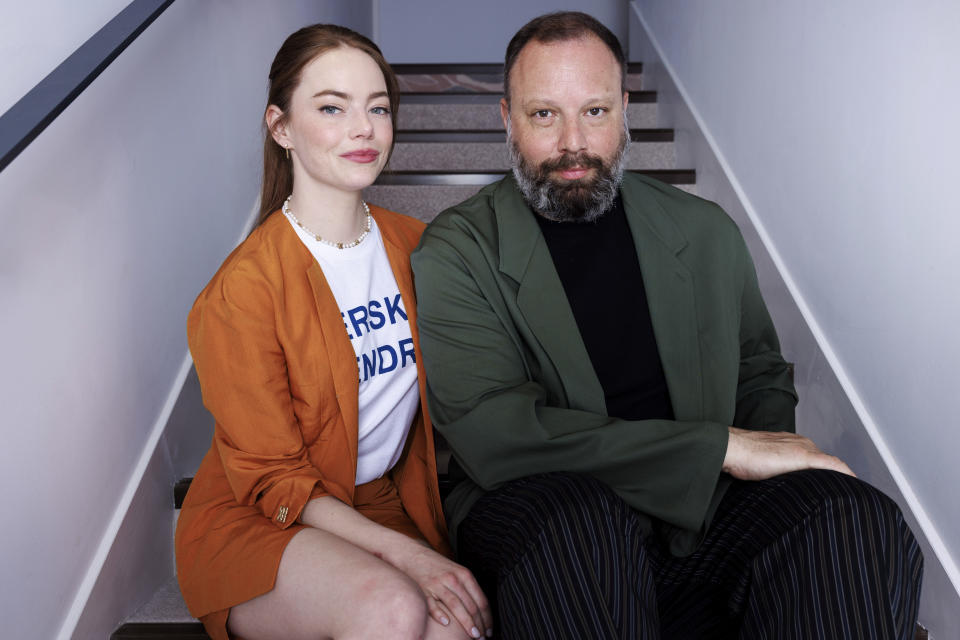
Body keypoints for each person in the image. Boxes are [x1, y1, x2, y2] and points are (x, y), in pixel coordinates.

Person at [411, 11, 923, 640]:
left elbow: (760, 370)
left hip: (701, 514)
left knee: (854, 516)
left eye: (595, 112)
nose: (573, 142)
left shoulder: (704, 231)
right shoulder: (459, 249)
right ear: (507, 119)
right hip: (548, 512)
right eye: (545, 114)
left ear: (624, 110)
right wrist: (724, 449)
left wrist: (766, 469)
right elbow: (498, 434)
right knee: (583, 525)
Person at [175, 24, 492, 640]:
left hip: (376, 503)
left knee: (458, 629)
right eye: (331, 107)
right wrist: (408, 555)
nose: (363, 128)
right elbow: (272, 477)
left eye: (378, 108)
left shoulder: (418, 247)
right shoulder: (244, 289)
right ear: (281, 126)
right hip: (261, 520)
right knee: (391, 608)